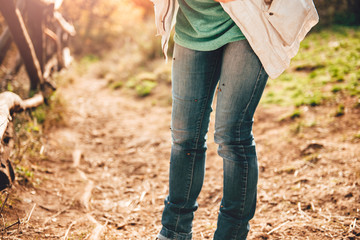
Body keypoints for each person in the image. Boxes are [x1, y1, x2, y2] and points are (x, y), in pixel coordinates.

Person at [152, 0, 319, 239]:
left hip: (246, 26)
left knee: (232, 136)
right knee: (184, 137)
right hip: (191, 28)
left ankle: (231, 234)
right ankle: (173, 231)